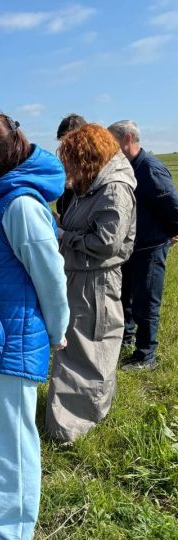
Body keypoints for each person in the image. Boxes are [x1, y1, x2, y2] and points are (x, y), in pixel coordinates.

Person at [0, 111, 69, 539]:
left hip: (10, 340)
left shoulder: (20, 205)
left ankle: (13, 528)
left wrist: (58, 330)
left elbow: (51, 277)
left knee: (11, 443)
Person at [45, 124, 137, 443]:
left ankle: (73, 428)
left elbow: (106, 243)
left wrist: (63, 236)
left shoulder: (114, 189)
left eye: (70, 160)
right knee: (79, 346)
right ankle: (76, 418)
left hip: (95, 281)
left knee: (87, 348)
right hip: (81, 275)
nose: (67, 168)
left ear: (87, 157)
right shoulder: (96, 185)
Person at [108, 120, 178, 370]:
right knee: (124, 297)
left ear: (127, 139)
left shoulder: (150, 169)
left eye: (112, 140)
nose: (108, 146)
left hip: (149, 247)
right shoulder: (127, 167)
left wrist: (171, 233)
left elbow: (172, 206)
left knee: (146, 302)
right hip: (131, 247)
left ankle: (146, 355)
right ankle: (126, 341)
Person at [54, 114, 88, 221]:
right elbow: (63, 206)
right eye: (63, 143)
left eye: (71, 142)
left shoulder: (94, 170)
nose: (66, 148)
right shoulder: (69, 167)